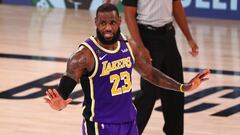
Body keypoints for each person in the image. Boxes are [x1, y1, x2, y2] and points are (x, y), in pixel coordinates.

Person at [44, 3, 209, 135]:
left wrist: (183, 86)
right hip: (100, 127)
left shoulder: (128, 45)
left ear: (119, 22)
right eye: (103, 23)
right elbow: (64, 89)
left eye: (112, 23)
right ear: (95, 22)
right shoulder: (84, 56)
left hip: (129, 123)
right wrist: (59, 103)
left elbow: (150, 74)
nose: (108, 28)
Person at [122, 0, 199, 134]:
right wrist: (140, 46)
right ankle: (129, 131)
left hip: (169, 36)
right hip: (147, 37)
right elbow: (129, 14)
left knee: (176, 89)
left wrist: (189, 38)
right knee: (149, 93)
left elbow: (177, 6)